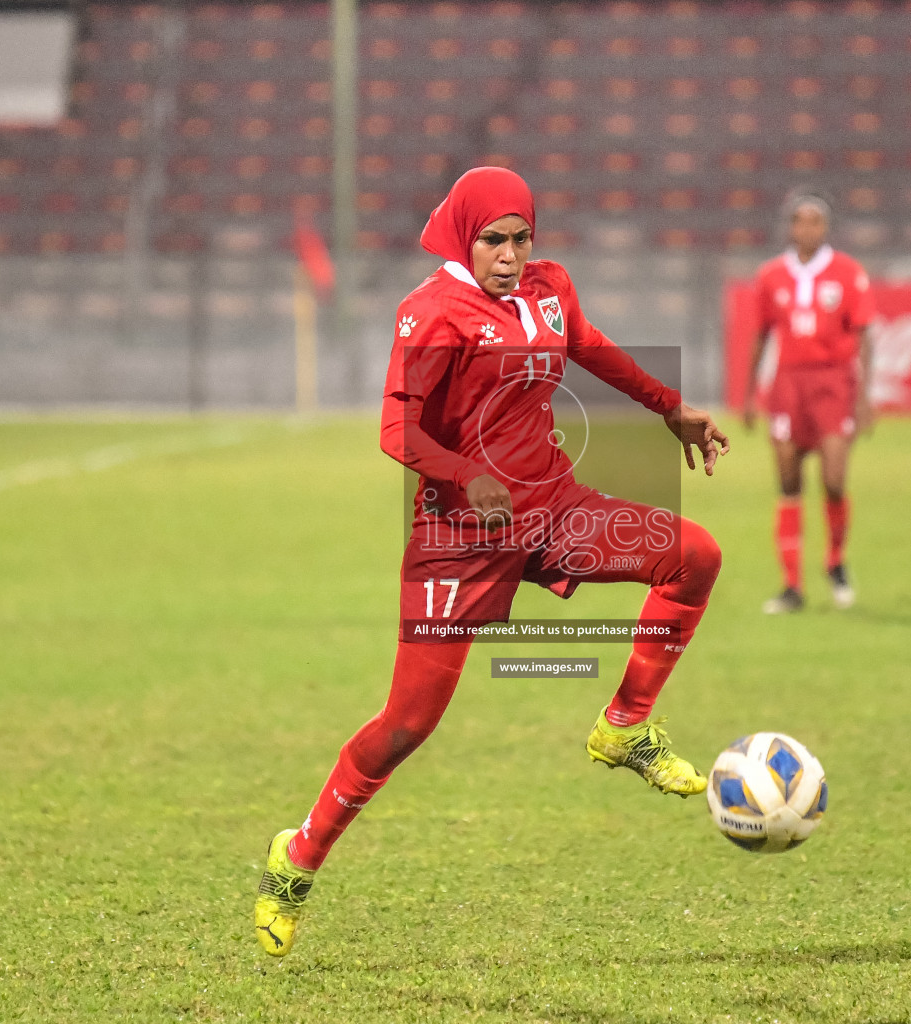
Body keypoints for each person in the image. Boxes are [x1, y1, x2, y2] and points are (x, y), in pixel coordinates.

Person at [254, 166, 732, 957]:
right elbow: (396, 433)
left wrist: (670, 409)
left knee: (696, 557)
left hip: (552, 509)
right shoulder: (431, 313)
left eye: (521, 239)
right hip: (460, 539)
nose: (510, 256)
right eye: (493, 241)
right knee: (407, 725)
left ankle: (624, 726)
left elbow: (593, 350)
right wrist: (464, 475)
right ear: (462, 237)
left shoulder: (550, 289)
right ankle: (297, 855)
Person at [742, 192, 876, 613]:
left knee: (834, 480)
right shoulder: (771, 276)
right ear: (790, 227)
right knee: (788, 482)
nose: (808, 229)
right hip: (788, 385)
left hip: (834, 383)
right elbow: (761, 334)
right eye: (801, 222)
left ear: (826, 228)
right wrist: (749, 393)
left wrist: (865, 396)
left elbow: (865, 334)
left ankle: (835, 561)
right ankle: (792, 586)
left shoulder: (848, 273)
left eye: (816, 222)